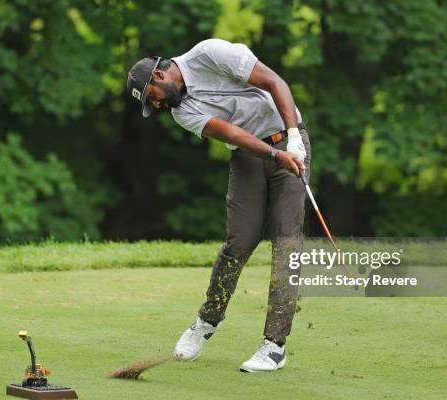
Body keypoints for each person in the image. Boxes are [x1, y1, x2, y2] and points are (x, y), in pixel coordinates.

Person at [126, 39, 310, 372]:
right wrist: (273, 155)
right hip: (251, 154)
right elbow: (233, 134)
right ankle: (207, 321)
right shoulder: (181, 112)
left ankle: (274, 346)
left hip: (289, 139)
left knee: (287, 244)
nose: (159, 106)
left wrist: (293, 138)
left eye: (154, 98)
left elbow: (274, 82)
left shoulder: (209, 54)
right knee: (238, 242)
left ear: (157, 77)